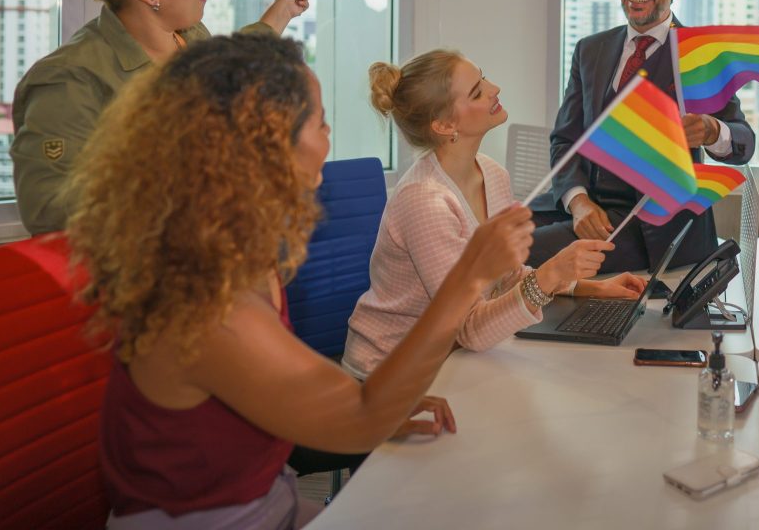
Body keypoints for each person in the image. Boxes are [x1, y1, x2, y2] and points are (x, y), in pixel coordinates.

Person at [66, 33, 535, 528]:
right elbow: (358, 419)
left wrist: (389, 403)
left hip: (271, 498)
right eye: (320, 122)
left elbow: (296, 403)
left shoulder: (239, 256)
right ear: (262, 149)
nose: (329, 138)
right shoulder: (205, 306)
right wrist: (469, 275)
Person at [11, 0, 309, 233]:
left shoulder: (189, 38)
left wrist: (282, 11)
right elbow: (50, 213)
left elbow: (234, 68)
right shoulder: (69, 81)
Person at [343, 51, 647, 378]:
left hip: (449, 362)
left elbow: (508, 279)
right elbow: (470, 330)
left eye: (483, 77)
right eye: (477, 91)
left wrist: (590, 288)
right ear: (445, 125)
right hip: (388, 376)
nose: (495, 88)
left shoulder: (492, 174)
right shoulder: (424, 202)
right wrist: (551, 273)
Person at [533, 0, 755, 273]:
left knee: (523, 252)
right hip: (584, 208)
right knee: (499, 234)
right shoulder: (590, 50)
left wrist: (713, 131)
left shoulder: (701, 57)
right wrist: (578, 203)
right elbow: (565, 140)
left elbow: (744, 143)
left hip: (653, 228)